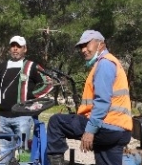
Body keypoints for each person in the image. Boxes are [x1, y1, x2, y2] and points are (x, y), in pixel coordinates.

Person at [45, 30, 132, 165]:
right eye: (81, 47)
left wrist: (90, 131)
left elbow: (102, 102)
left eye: (86, 45)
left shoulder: (104, 64)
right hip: (121, 130)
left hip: (106, 126)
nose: (83, 50)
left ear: (101, 45)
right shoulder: (113, 62)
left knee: (56, 122)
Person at [0, 35, 54, 164]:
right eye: (12, 46)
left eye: (18, 46)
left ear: (25, 49)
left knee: (24, 152)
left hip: (23, 117)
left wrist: (31, 96)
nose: (15, 49)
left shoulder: (31, 66)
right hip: (3, 118)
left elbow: (49, 83)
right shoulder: (2, 67)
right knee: (4, 153)